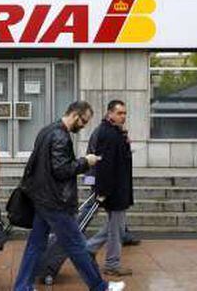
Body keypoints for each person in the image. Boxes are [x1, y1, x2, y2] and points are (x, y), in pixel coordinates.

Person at [14, 101, 125, 291]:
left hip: (42, 199)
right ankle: (100, 287)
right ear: (75, 115)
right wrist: (86, 162)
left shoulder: (46, 131)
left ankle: (22, 287)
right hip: (56, 202)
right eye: (83, 121)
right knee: (77, 245)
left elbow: (37, 165)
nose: (83, 126)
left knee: (35, 245)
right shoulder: (60, 136)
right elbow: (61, 170)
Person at [85, 100, 134, 277]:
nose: (123, 117)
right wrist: (102, 192)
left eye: (125, 113)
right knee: (117, 228)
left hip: (117, 188)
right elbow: (104, 165)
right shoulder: (107, 134)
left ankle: (88, 250)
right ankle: (111, 263)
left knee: (114, 226)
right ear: (110, 113)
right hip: (113, 190)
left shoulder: (115, 132)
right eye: (120, 113)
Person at [85, 118, 141, 248]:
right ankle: (77, 230)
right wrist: (91, 181)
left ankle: (124, 232)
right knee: (92, 207)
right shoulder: (102, 133)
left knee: (116, 211)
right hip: (97, 177)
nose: (123, 118)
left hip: (99, 177)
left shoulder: (112, 132)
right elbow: (97, 157)